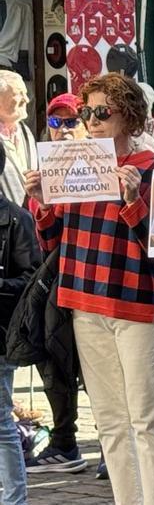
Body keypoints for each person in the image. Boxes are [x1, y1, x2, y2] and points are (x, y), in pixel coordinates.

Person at [24, 72, 154, 503]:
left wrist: (133, 201)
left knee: (147, 418)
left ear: (129, 117)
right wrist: (44, 205)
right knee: (110, 421)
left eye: (102, 112)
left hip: (137, 304)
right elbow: (54, 245)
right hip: (84, 300)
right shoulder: (76, 164)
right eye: (86, 112)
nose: (91, 120)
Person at [25, 93, 88, 475]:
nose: (62, 130)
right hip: (54, 282)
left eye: (71, 121)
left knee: (99, 367)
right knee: (54, 360)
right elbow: (45, 242)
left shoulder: (98, 167)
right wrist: (42, 204)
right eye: (55, 122)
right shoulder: (43, 172)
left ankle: (112, 445)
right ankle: (65, 441)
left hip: (92, 281)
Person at [0, 143, 41, 504]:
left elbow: (31, 279)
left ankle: (14, 498)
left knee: (0, 421)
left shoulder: (16, 219)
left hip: (0, 332)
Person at [0, 71, 35, 205]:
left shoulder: (25, 132)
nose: (26, 99)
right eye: (19, 93)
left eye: (25, 93)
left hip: (28, 215)